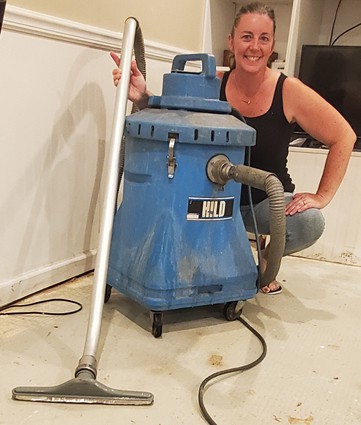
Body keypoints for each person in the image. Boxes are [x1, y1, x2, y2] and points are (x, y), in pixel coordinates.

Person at [110, 2, 356, 295]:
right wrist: (143, 98)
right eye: (247, 36)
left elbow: (344, 135)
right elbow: (176, 124)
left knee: (310, 223)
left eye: (264, 38)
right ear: (231, 41)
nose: (255, 46)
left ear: (273, 44)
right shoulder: (212, 84)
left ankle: (265, 263)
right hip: (211, 201)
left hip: (263, 202)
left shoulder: (289, 91)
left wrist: (322, 195)